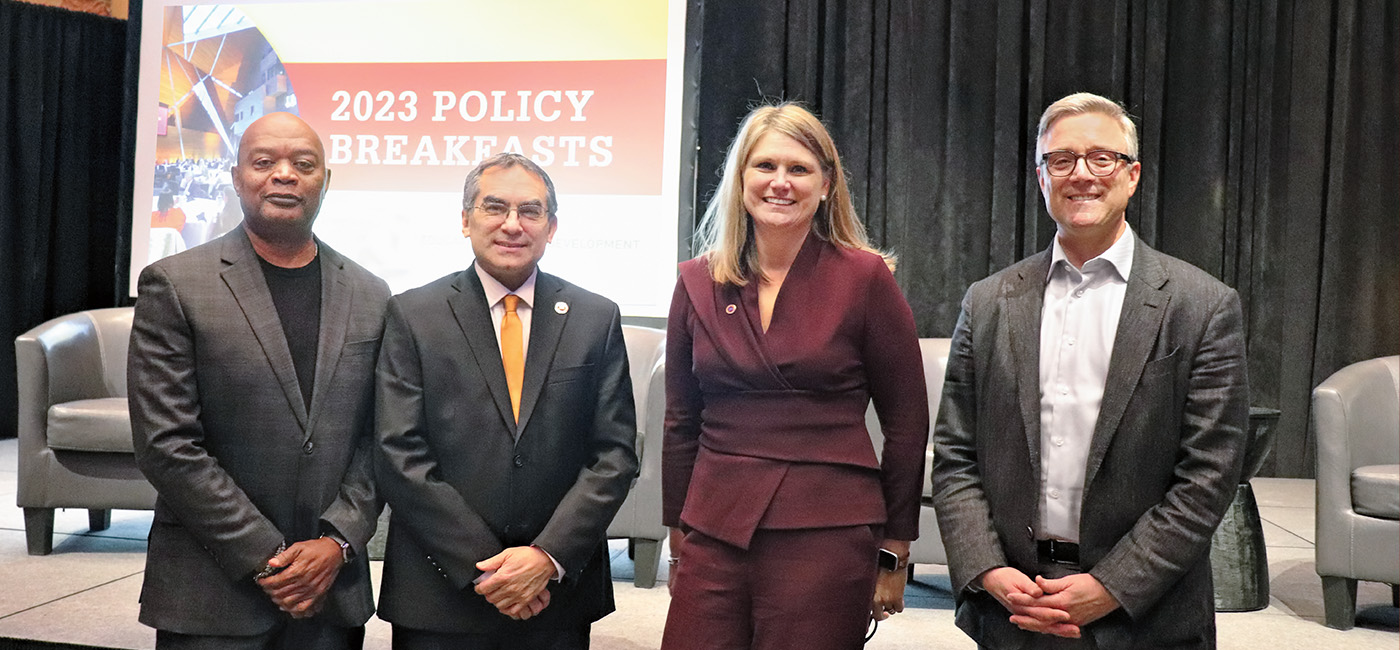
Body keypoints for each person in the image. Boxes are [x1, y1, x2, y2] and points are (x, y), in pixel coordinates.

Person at [931, 92, 1249, 649]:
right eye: (1062, 160)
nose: (1082, 174)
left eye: (1102, 158)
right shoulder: (987, 302)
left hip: (1146, 618)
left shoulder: (1202, 306)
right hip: (1014, 610)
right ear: (1040, 176)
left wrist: (1110, 586)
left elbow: (1208, 478)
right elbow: (956, 456)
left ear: (1132, 176)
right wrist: (988, 571)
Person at [660, 102, 929, 649]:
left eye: (799, 169)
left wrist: (897, 543)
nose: (780, 182)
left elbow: (907, 424)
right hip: (714, 525)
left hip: (827, 528)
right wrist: (677, 526)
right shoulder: (695, 282)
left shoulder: (865, 278)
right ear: (741, 179)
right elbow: (680, 418)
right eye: (765, 167)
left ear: (826, 185)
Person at [128, 112, 390, 650]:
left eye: (304, 163)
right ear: (236, 176)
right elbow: (168, 446)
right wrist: (268, 557)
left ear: (326, 180)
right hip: (211, 591)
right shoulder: (175, 285)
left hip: (330, 591)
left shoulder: (371, 294)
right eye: (264, 162)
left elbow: (381, 437)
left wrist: (336, 542)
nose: (284, 175)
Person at [374, 152, 639, 649]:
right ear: (465, 219)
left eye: (530, 211)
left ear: (552, 226)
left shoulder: (594, 317)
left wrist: (546, 558)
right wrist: (486, 568)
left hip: (554, 593)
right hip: (440, 592)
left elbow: (615, 455)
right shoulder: (414, 315)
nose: (512, 225)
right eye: (495, 208)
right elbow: (397, 452)